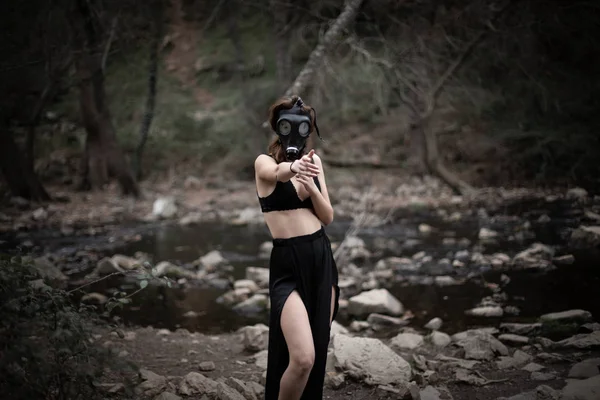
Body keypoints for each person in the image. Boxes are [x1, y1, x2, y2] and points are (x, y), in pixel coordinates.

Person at [254, 95, 340, 400]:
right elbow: (276, 175)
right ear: (280, 126)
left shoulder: (314, 162)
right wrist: (295, 169)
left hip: (320, 258)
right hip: (287, 264)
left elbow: (327, 216)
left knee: (317, 349)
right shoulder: (264, 162)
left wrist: (312, 183)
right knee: (302, 358)